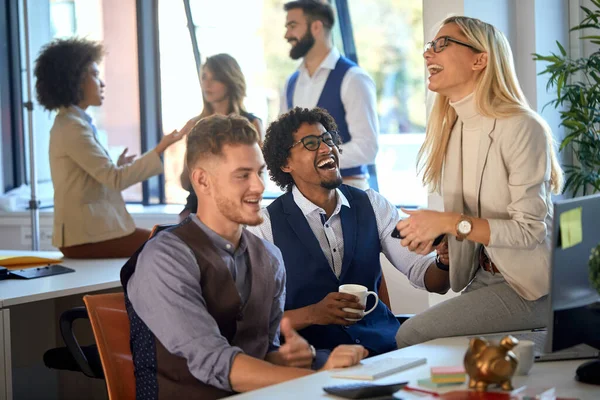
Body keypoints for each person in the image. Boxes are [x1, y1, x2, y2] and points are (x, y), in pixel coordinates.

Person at [122, 114, 367, 398]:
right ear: (202, 181)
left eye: (259, 173)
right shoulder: (164, 258)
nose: (259, 187)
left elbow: (263, 354)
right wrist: (314, 379)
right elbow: (216, 362)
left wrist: (299, 358)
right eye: (243, 175)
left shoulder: (270, 257)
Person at [394, 16, 564, 348]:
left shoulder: (521, 127)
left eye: (442, 44)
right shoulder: (453, 127)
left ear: (479, 59)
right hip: (485, 276)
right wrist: (442, 238)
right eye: (429, 46)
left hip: (530, 287)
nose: (429, 54)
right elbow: (471, 224)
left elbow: (531, 230)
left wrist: (451, 222)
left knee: (410, 334)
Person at [247, 107, 449, 362]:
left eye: (328, 139)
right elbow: (255, 322)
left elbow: (431, 279)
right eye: (310, 143)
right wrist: (314, 314)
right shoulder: (264, 226)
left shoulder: (374, 205)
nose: (325, 148)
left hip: (384, 351)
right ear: (285, 163)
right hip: (315, 362)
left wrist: (444, 261)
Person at [34, 37, 191, 259]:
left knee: (169, 240)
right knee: (169, 243)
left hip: (89, 233)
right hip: (85, 236)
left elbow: (100, 178)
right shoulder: (72, 128)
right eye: (95, 75)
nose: (102, 83)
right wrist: (161, 148)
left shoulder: (73, 123)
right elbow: (115, 179)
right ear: (76, 81)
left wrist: (117, 166)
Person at [281, 0, 379, 190]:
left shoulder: (353, 78)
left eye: (292, 26)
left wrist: (312, 159)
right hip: (303, 194)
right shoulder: (291, 83)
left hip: (348, 191)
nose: (287, 35)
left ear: (316, 26)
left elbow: (367, 148)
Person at [179, 53, 264, 221]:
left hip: (239, 205)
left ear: (229, 80)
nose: (207, 84)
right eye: (204, 77)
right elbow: (185, 181)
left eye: (215, 78)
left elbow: (257, 175)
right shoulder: (194, 125)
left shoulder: (252, 123)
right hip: (198, 209)